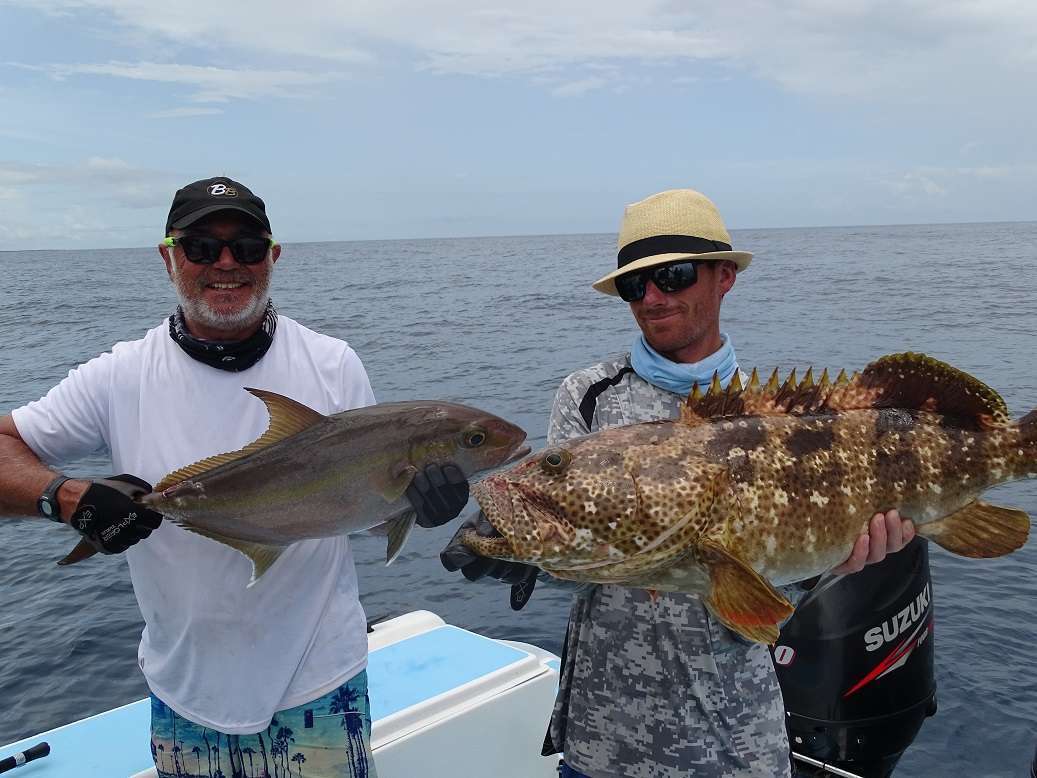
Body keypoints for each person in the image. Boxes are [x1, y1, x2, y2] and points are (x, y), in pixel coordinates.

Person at [0, 177, 469, 778]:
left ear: (272, 257)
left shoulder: (331, 364)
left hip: (320, 683)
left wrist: (413, 504)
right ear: (168, 257)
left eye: (246, 247)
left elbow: (366, 513)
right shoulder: (119, 376)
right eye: (201, 247)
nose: (226, 264)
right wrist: (64, 498)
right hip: (186, 694)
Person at [442, 188, 915, 777]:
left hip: (739, 741)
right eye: (634, 285)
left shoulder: (778, 420)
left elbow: (778, 595)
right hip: (605, 739)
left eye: (675, 275)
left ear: (724, 278)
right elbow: (577, 553)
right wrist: (516, 555)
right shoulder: (586, 398)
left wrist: (840, 562)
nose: (653, 298)